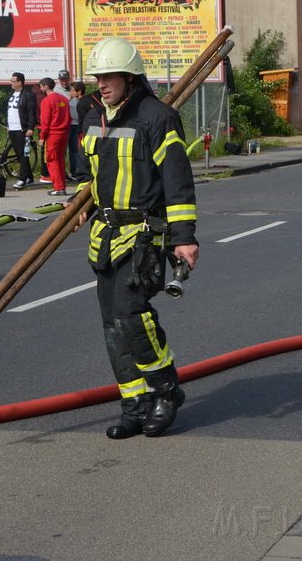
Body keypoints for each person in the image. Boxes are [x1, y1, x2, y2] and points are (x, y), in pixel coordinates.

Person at [72, 37, 198, 439]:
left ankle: (165, 391)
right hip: (104, 234)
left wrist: (184, 238)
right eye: (97, 77)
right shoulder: (92, 116)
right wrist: (82, 204)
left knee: (132, 316)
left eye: (109, 76)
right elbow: (90, 175)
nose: (101, 83)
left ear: (129, 77)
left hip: (142, 235)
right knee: (112, 324)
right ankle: (135, 405)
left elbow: (177, 181)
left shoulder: (156, 117)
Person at [38, 77, 71, 197]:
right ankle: (61, 186)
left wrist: (42, 137)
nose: (41, 88)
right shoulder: (63, 99)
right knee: (60, 160)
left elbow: (45, 121)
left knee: (52, 160)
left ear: (46, 86)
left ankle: (58, 188)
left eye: (41, 86)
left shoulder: (47, 101)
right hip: (64, 133)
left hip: (52, 135)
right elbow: (68, 116)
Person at [7, 72, 37, 190]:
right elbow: (9, 110)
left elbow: (31, 113)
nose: (11, 83)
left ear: (20, 82)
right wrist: (8, 124)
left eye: (13, 81)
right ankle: (29, 176)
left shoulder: (28, 95)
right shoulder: (11, 93)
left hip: (22, 129)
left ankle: (22, 179)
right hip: (12, 128)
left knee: (24, 154)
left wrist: (30, 127)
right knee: (20, 154)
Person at [68, 80, 89, 180]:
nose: (70, 93)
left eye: (72, 90)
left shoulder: (81, 104)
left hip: (82, 131)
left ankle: (80, 173)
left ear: (79, 91)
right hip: (85, 130)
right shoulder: (87, 101)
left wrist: (81, 131)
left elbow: (83, 119)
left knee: (80, 151)